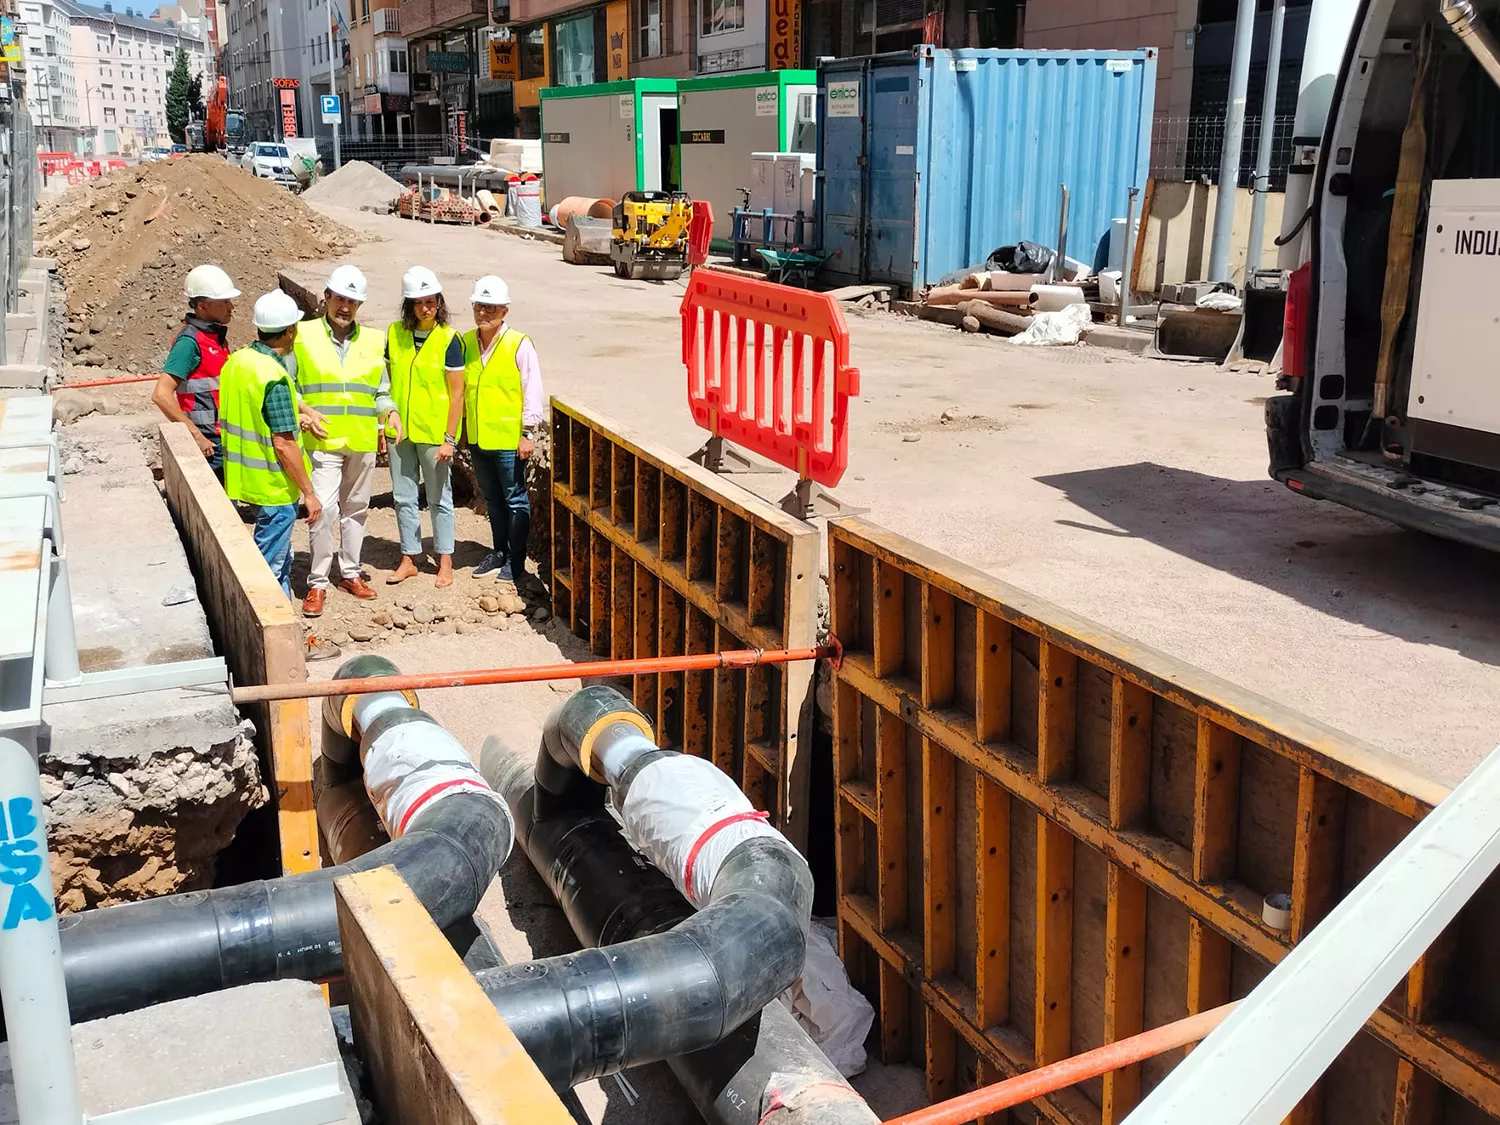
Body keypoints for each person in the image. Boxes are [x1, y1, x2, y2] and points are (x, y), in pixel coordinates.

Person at [292, 265, 389, 617]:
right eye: (340, 298)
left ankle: (350, 572)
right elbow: (290, 385)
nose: (346, 306)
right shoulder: (302, 336)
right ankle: (317, 582)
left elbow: (381, 390)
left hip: (361, 439)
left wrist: (387, 413)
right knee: (325, 509)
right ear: (327, 298)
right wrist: (301, 412)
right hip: (322, 438)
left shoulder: (375, 340)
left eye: (353, 301)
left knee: (357, 509)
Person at [219, 289, 322, 599]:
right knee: (269, 569)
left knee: (279, 560)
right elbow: (283, 444)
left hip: (242, 477)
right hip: (274, 485)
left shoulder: (238, 361)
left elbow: (251, 416)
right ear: (290, 331)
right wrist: (309, 493)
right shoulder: (273, 375)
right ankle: (272, 636)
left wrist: (300, 412)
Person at [384, 266, 465, 589]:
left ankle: (445, 560)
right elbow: (388, 382)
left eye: (430, 301)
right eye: (418, 302)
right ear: (409, 305)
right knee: (403, 497)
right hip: (400, 433)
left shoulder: (449, 340)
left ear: (439, 302)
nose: (425, 308)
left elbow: (457, 394)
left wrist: (449, 439)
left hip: (434, 435)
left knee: (439, 498)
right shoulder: (394, 334)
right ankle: (409, 557)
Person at [461, 275, 544, 584]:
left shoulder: (518, 344)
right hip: (480, 439)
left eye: (491, 309)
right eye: (479, 307)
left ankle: (516, 559)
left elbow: (532, 388)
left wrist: (528, 433)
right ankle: (499, 551)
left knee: (515, 500)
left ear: (504, 311)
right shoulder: (467, 342)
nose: (484, 314)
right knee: (493, 500)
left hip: (510, 440)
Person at [152, 264, 238, 477]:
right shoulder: (189, 342)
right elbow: (161, 395)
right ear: (202, 306)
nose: (231, 307)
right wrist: (196, 435)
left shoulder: (214, 337)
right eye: (224, 302)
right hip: (210, 442)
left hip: (224, 435)